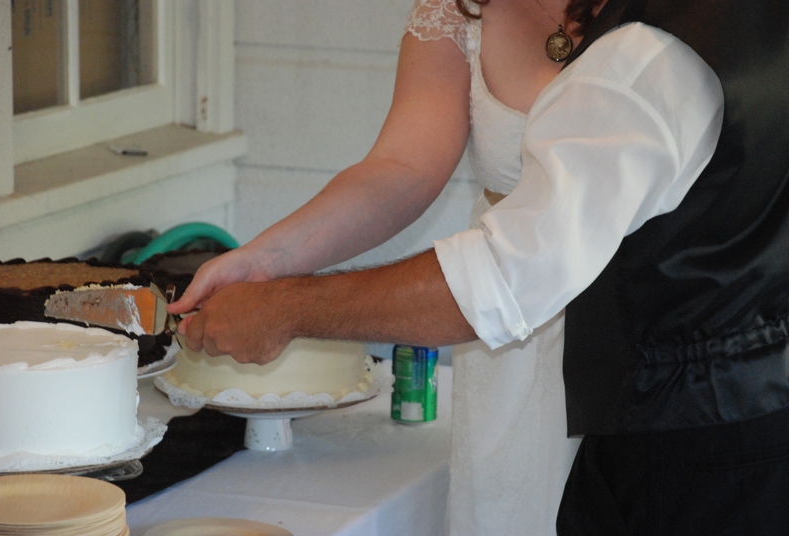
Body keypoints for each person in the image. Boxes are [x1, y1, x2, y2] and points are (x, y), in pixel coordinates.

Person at [167, 0, 744, 533]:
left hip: (643, 338)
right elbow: (401, 168)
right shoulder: (458, 10)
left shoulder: (669, 20)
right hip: (504, 349)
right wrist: (263, 261)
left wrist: (290, 309)